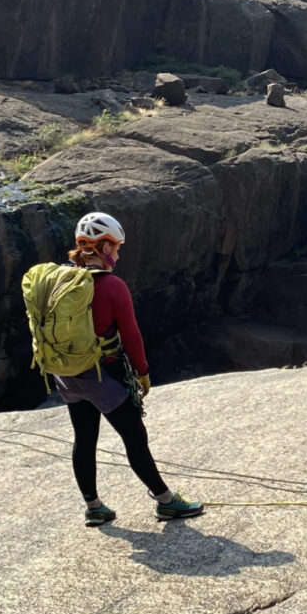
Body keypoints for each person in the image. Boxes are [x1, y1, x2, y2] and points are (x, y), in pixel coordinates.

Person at [54, 212, 204, 527]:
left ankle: (93, 507)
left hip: (66, 375)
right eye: (116, 247)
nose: (118, 254)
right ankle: (166, 502)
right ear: (102, 246)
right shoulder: (111, 285)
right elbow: (131, 335)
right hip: (101, 376)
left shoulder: (59, 279)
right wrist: (143, 371)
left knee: (84, 437)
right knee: (135, 437)